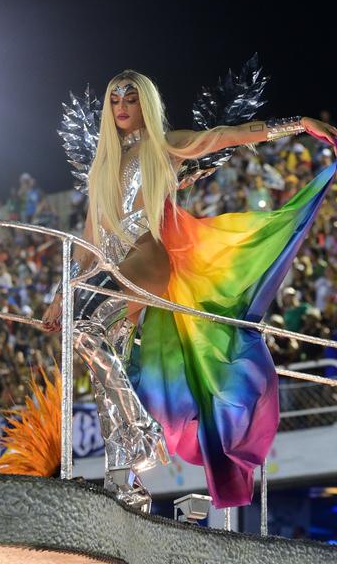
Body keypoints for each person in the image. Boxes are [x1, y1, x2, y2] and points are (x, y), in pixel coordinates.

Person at [40, 70, 337, 511]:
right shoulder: (102, 167)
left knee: (82, 329)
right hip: (112, 265)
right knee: (106, 370)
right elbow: (87, 248)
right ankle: (124, 484)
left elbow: (226, 135)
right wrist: (60, 296)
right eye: (115, 100)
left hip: (147, 260)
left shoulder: (163, 143)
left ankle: (142, 431)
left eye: (131, 98)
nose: (122, 107)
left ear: (145, 103)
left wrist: (299, 124)